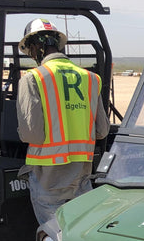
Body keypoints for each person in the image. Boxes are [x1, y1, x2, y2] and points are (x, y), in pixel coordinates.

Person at [16, 18, 108, 225]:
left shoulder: (33, 78)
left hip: (49, 179)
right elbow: (101, 131)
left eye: (30, 50)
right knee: (82, 234)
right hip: (81, 177)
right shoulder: (91, 78)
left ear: (36, 46)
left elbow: (32, 134)